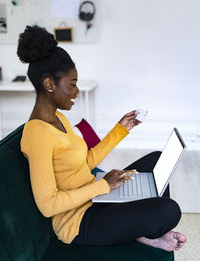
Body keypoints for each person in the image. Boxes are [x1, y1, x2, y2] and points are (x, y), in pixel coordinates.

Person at [18, 26, 186, 252]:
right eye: (72, 84)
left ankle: (148, 228)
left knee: (156, 159)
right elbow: (48, 206)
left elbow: (83, 163)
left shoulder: (58, 119)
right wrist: (103, 186)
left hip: (96, 198)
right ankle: (150, 231)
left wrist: (120, 130)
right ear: (49, 85)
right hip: (78, 223)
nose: (76, 90)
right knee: (169, 210)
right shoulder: (37, 134)